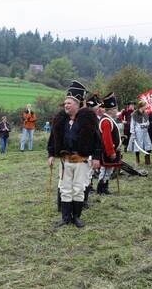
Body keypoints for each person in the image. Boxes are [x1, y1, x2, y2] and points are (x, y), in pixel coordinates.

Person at [47, 81, 101, 228]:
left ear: (77, 105)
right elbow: (53, 138)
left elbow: (97, 139)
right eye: (65, 103)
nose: (66, 105)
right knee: (65, 189)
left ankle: (76, 217)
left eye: (69, 103)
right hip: (65, 161)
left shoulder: (88, 120)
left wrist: (96, 157)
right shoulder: (60, 120)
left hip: (81, 161)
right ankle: (65, 218)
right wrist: (51, 154)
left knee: (78, 189)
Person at [97, 92, 122, 195]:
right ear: (111, 110)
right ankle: (101, 189)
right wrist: (111, 152)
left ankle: (105, 188)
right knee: (105, 170)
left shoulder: (108, 119)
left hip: (111, 150)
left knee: (108, 170)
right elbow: (107, 139)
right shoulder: (106, 121)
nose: (117, 111)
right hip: (108, 151)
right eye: (116, 109)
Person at [127, 100, 152, 165]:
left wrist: (146, 124)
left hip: (145, 132)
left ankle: (147, 158)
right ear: (141, 106)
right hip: (138, 132)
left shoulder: (145, 113)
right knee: (137, 146)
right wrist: (133, 133)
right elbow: (132, 124)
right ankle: (137, 159)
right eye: (145, 106)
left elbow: (148, 122)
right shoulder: (134, 114)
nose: (146, 107)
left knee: (148, 145)